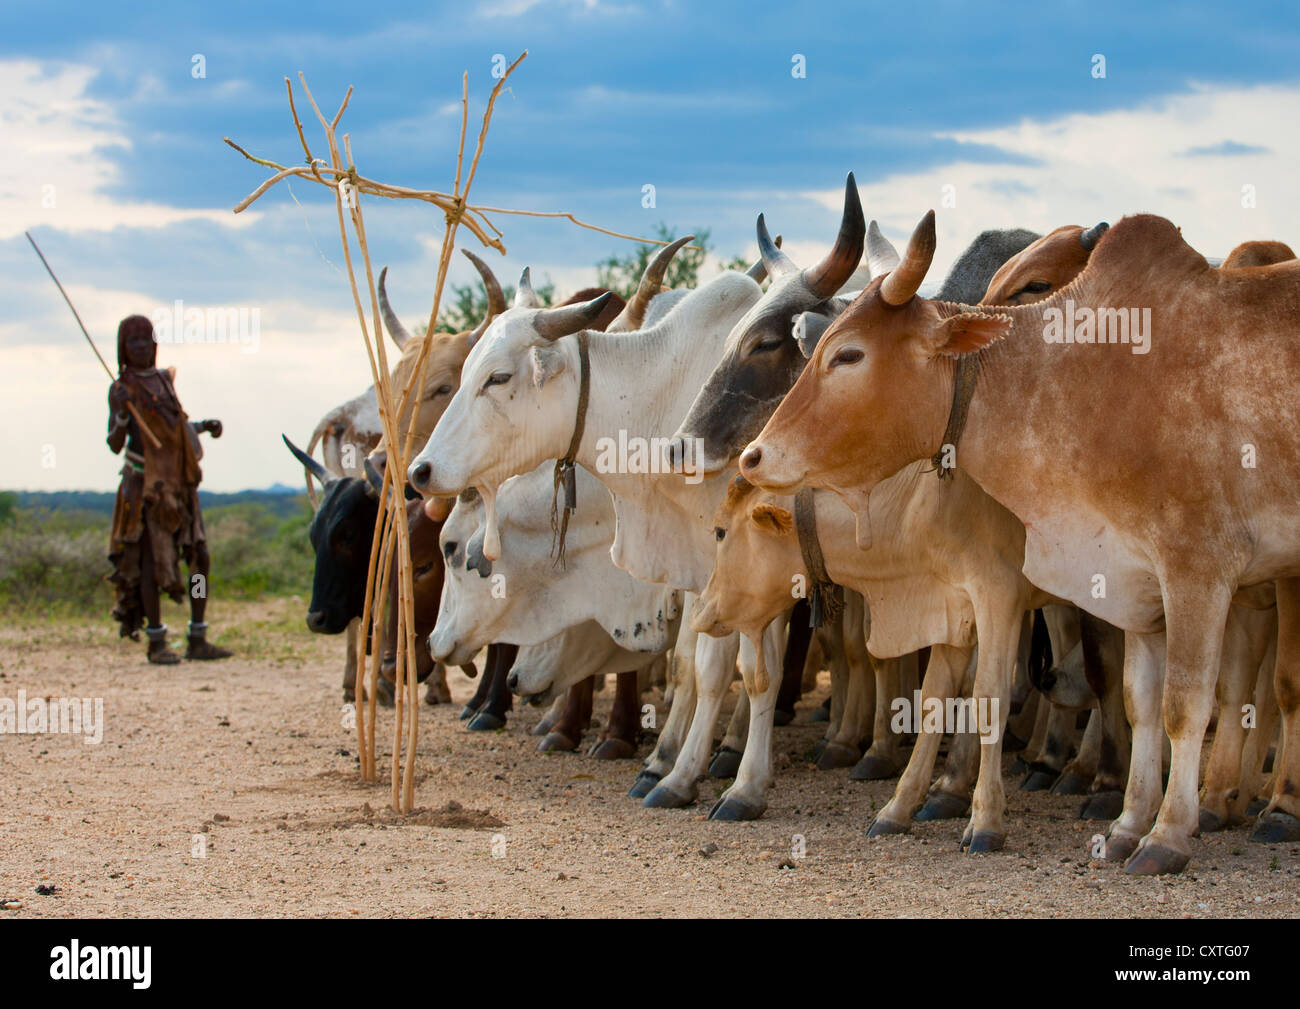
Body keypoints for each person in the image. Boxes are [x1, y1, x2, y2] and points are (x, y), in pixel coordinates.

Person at [106, 315, 231, 664]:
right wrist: (120, 416)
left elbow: (172, 429)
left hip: (180, 484)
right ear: (124, 348)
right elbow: (115, 444)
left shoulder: (164, 380)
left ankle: (197, 635)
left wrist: (203, 427)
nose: (142, 346)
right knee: (150, 564)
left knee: (199, 558)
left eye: (147, 339)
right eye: (134, 342)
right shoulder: (122, 389)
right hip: (145, 488)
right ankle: (156, 641)